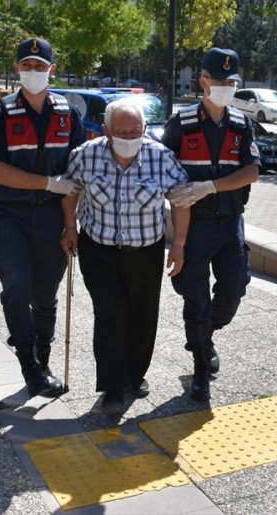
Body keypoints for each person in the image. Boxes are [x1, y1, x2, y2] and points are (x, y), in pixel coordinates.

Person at [61, 99, 190, 416]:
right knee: (111, 313)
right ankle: (113, 388)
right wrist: (69, 227)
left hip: (145, 251)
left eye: (135, 130)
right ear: (106, 130)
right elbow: (70, 191)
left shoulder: (161, 158)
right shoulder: (85, 156)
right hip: (98, 250)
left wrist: (180, 244)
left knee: (142, 316)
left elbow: (182, 201)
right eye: (121, 131)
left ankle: (135, 373)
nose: (129, 136)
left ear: (144, 129)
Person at [0, 38, 84, 400]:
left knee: (46, 295)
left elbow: (74, 178)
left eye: (40, 66)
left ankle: (44, 360)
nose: (34, 72)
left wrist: (71, 226)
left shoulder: (68, 114)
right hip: (9, 215)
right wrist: (46, 182)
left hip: (52, 216)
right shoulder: (0, 112)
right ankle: (29, 364)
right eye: (28, 65)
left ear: (52, 70)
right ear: (16, 68)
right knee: (16, 285)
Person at [164, 47, 261, 402]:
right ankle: (201, 366)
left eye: (230, 80)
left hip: (230, 222)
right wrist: (177, 239)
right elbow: (169, 176)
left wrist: (210, 186)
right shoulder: (181, 123)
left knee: (234, 290)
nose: (224, 86)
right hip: (195, 226)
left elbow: (252, 171)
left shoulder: (241, 122)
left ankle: (203, 336)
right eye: (218, 80)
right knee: (195, 296)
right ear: (202, 81)